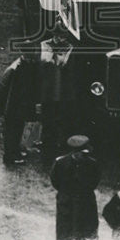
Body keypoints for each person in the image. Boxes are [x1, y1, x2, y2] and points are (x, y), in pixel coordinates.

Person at [0, 50, 38, 165]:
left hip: (14, 107)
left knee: (15, 131)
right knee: (12, 132)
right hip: (14, 108)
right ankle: (10, 156)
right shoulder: (19, 68)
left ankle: (15, 152)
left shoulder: (20, 64)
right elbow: (16, 93)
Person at [38, 25, 79, 163]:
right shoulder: (45, 45)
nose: (61, 38)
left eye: (64, 36)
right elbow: (44, 61)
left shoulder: (69, 47)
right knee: (47, 121)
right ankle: (46, 148)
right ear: (54, 34)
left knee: (59, 120)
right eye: (59, 35)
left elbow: (64, 64)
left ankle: (56, 148)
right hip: (47, 90)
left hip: (62, 91)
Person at [50, 135, 100, 240]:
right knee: (64, 234)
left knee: (84, 235)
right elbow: (55, 181)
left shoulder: (92, 163)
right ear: (75, 152)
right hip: (66, 202)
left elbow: (95, 181)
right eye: (82, 153)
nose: (84, 156)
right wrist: (66, 191)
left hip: (85, 200)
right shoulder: (60, 163)